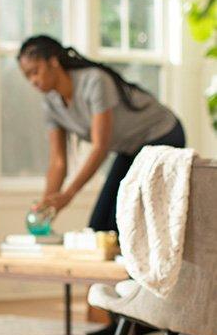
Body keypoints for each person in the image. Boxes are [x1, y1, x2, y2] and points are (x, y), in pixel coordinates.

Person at [17, 35, 185, 232]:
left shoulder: (94, 81)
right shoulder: (51, 104)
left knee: (121, 222)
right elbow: (58, 162)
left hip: (163, 134)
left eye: (35, 72)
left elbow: (100, 147)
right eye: (27, 76)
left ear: (53, 61)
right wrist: (48, 208)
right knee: (97, 228)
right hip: (129, 148)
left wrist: (69, 194)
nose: (32, 81)